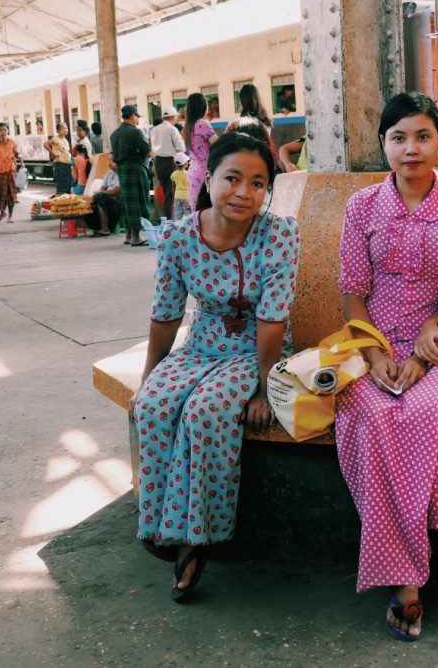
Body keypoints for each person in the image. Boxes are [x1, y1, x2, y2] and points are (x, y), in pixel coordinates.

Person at [336, 91, 438, 642]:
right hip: (370, 344)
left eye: (422, 136)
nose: (411, 149)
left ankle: (404, 577)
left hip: (433, 344)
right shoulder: (362, 207)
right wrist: (373, 357)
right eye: (399, 138)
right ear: (384, 145)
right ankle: (409, 581)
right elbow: (353, 293)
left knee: (420, 418)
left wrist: (428, 350)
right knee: (370, 417)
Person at [132, 131, 299, 602]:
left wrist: (268, 389)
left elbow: (272, 320)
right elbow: (166, 313)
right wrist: (150, 375)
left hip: (255, 350)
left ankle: (197, 538)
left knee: (206, 413)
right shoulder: (178, 237)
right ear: (208, 177)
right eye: (232, 178)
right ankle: (162, 526)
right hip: (200, 344)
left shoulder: (280, 234)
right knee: (154, 406)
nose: (244, 193)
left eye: (258, 183)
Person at [111, 105, 153, 247]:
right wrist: (150, 143)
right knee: (139, 201)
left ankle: (128, 235)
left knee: (128, 202)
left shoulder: (115, 134)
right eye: (137, 117)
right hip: (136, 168)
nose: (137, 120)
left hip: (122, 170)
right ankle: (136, 237)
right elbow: (148, 152)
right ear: (132, 116)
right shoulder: (135, 132)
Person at [226, 84, 281, 169]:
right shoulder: (266, 120)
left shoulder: (234, 120)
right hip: (263, 162)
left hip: (241, 163)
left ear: (241, 100)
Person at [149, 105, 186, 220]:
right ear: (173, 117)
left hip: (158, 163)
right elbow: (181, 148)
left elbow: (152, 148)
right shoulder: (172, 129)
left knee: (166, 192)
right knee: (172, 193)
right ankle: (171, 221)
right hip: (170, 162)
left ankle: (167, 219)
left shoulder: (154, 129)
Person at [183, 93, 218, 205]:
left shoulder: (188, 126)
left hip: (192, 170)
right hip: (205, 170)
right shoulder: (202, 124)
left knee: (197, 209)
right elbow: (219, 143)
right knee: (208, 208)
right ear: (203, 107)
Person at [0, 122, 20, 222]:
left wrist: (20, 158)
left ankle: (10, 217)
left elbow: (16, 153)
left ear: (8, 131)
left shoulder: (11, 142)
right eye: (0, 130)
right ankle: (2, 212)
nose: (3, 132)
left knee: (11, 193)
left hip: (9, 171)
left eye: (4, 130)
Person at [86, 162, 123, 237]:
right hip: (107, 196)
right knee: (94, 201)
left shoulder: (121, 174)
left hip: (117, 199)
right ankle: (98, 227)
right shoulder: (109, 173)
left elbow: (115, 191)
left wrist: (102, 192)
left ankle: (105, 229)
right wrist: (102, 192)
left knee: (100, 200)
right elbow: (103, 188)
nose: (109, 162)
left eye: (112, 160)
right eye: (109, 160)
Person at [44, 123, 73, 195]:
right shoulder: (55, 138)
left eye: (66, 128)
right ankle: (60, 197)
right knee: (61, 183)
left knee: (68, 182)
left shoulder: (65, 140)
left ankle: (66, 197)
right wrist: (52, 153)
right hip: (60, 163)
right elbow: (45, 144)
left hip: (67, 163)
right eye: (64, 128)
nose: (66, 130)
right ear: (58, 131)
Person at [171, 152, 191, 219]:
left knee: (178, 216)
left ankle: (178, 228)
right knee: (188, 216)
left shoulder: (174, 174)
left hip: (177, 196)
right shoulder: (188, 174)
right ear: (185, 164)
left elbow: (173, 184)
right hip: (186, 197)